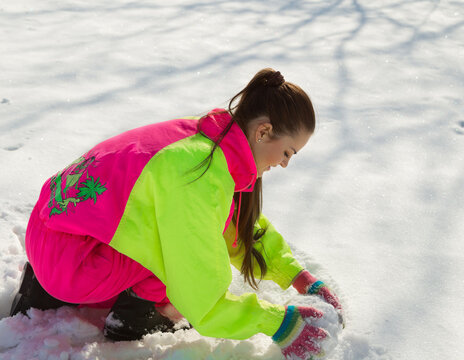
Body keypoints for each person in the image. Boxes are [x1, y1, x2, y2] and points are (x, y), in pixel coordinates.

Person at [10, 68, 343, 359]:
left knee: (172, 227)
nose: (284, 163)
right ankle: (132, 318)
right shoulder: (198, 176)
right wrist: (282, 325)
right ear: (262, 131)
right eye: (287, 152)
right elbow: (203, 298)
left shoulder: (208, 141)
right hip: (71, 261)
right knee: (179, 254)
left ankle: (42, 288)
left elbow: (233, 223)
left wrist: (298, 277)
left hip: (56, 228)